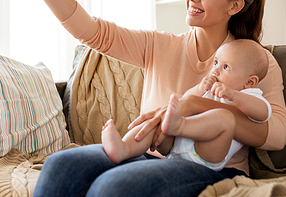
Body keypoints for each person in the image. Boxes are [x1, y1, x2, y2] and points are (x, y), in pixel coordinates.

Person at [12, 0, 286, 197]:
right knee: (61, 165)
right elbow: (90, 31)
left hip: (213, 168)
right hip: (150, 155)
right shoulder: (159, 45)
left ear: (235, 5)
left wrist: (193, 105)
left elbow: (277, 134)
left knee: (113, 187)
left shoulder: (254, 60)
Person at [101, 39, 271, 172]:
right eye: (216, 63)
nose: (215, 71)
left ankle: (179, 126)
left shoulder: (250, 95)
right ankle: (124, 148)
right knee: (159, 119)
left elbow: (263, 114)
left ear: (250, 82)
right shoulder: (211, 87)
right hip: (173, 146)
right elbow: (187, 101)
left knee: (225, 118)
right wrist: (200, 88)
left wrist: (235, 96)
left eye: (226, 67)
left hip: (206, 155)